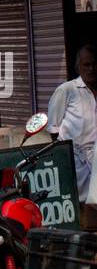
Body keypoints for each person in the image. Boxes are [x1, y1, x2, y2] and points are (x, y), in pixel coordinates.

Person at [48, 46, 97, 229]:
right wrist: (63, 160)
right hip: (75, 161)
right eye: (87, 64)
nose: (91, 69)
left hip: (96, 159)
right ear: (78, 67)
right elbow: (53, 129)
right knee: (80, 208)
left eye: (94, 64)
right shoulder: (67, 90)